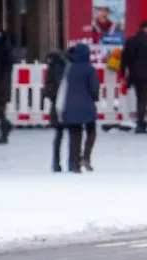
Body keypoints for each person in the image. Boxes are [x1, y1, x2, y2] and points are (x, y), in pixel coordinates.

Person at [58, 44, 100, 173]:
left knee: (75, 135)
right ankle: (86, 156)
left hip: (70, 105)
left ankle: (75, 164)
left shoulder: (69, 69)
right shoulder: (90, 69)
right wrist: (95, 97)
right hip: (86, 104)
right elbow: (94, 88)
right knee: (91, 131)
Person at [121, 21, 147, 133]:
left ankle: (140, 121)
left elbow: (124, 58)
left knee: (139, 97)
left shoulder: (130, 41)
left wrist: (123, 72)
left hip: (134, 74)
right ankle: (140, 123)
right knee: (144, 99)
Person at [42, 48, 71, 171]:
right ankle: (72, 162)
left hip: (56, 106)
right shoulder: (70, 66)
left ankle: (56, 163)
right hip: (70, 105)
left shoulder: (52, 67)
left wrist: (54, 97)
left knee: (58, 135)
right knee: (72, 135)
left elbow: (48, 88)